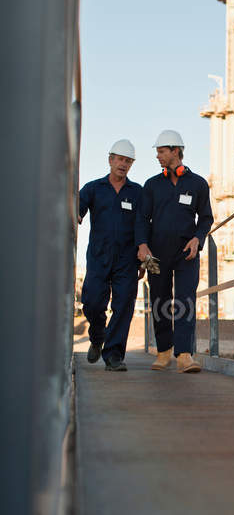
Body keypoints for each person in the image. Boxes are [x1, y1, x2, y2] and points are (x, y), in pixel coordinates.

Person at [136, 130, 213, 373]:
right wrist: (142, 245)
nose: (158, 156)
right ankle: (163, 351)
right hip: (154, 254)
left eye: (161, 151)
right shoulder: (151, 185)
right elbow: (141, 219)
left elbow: (206, 218)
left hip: (186, 254)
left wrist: (198, 239)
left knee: (185, 301)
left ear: (175, 151)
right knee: (159, 299)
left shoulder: (198, 184)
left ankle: (184, 355)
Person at [79, 139, 143, 371]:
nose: (123, 165)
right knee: (92, 303)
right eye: (120, 160)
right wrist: (75, 215)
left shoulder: (137, 193)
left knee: (124, 304)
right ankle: (97, 337)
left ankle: (114, 355)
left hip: (127, 259)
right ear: (110, 160)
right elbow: (77, 208)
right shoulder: (93, 188)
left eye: (128, 161)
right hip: (98, 257)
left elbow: (143, 225)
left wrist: (143, 253)